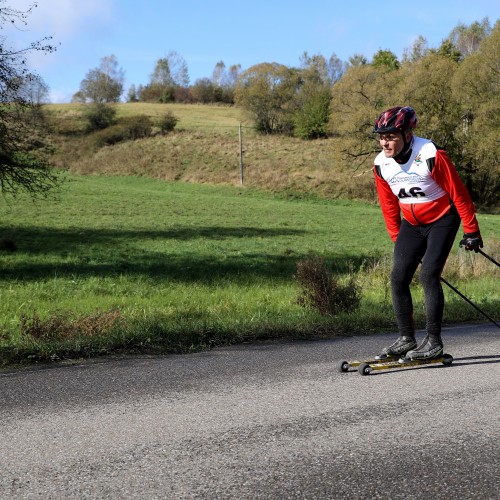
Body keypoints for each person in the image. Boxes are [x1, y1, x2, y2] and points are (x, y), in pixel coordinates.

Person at [372, 106, 483, 360]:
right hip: (411, 225)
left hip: (442, 220)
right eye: (381, 136)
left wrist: (472, 230)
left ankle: (434, 341)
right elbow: (388, 203)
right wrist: (396, 237)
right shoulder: (381, 164)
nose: (384, 142)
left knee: (428, 276)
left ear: (407, 134)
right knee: (398, 277)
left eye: (390, 136)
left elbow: (459, 194)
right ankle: (406, 339)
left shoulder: (431, 154)